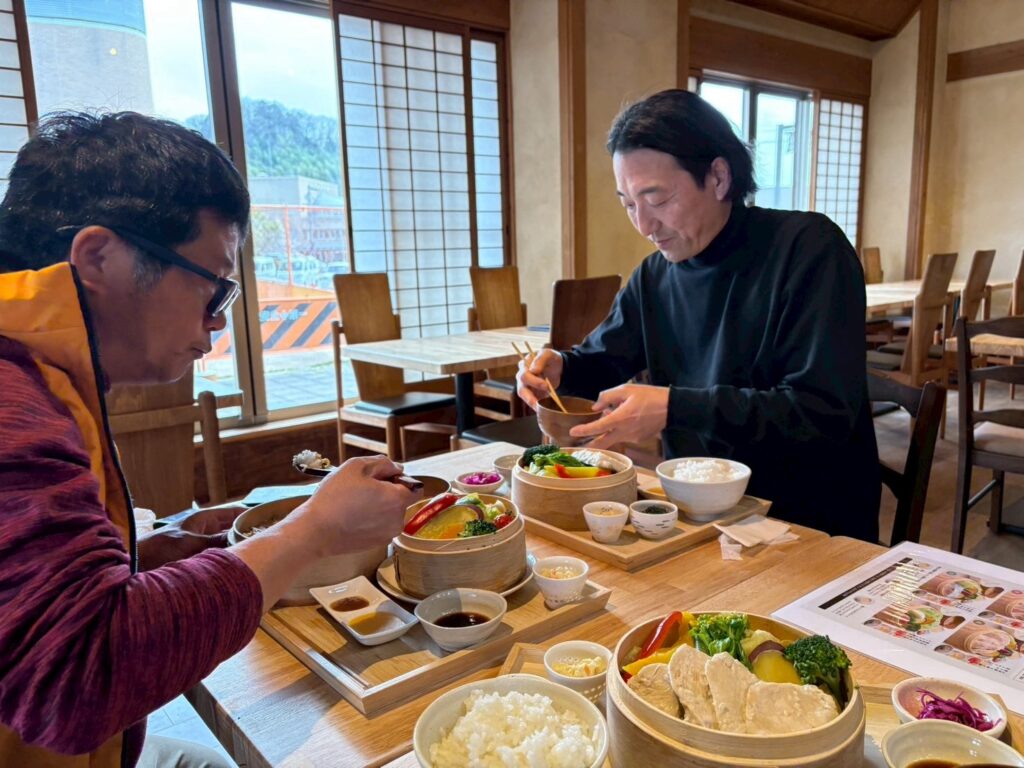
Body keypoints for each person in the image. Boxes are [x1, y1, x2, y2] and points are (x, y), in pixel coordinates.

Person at [0, 112, 418, 768]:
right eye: (214, 288)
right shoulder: (11, 401)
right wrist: (310, 531)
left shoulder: (37, 367)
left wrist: (144, 558)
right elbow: (80, 679)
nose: (218, 323)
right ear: (99, 258)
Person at [518, 89, 880, 541]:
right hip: (696, 517)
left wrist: (674, 407)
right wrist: (559, 368)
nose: (644, 225)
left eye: (657, 199)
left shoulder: (808, 250)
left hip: (806, 521)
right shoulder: (654, 276)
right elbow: (602, 361)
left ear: (719, 177)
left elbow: (821, 413)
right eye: (629, 204)